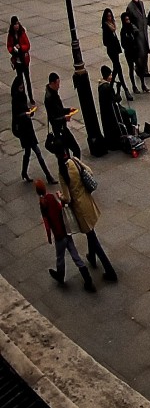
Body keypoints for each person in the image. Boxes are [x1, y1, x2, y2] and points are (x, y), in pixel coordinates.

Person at [57, 148, 115, 283]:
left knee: (92, 236)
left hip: (79, 208)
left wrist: (60, 196)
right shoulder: (75, 161)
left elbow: (67, 198)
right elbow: (89, 171)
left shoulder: (62, 172)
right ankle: (92, 257)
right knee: (91, 232)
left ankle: (110, 270)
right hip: (87, 200)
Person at [37, 178, 93, 292]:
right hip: (66, 231)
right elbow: (60, 209)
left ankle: (60, 276)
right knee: (75, 255)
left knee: (60, 257)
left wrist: (49, 237)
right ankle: (88, 280)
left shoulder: (43, 204)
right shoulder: (51, 198)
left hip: (58, 236)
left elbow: (47, 223)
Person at [11, 75, 51, 183]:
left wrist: (30, 112)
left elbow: (25, 110)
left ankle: (24, 172)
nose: (22, 89)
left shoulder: (22, 97)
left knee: (28, 153)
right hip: (24, 131)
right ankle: (48, 176)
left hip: (28, 128)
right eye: (20, 87)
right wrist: (25, 114)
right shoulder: (15, 100)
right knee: (37, 153)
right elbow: (16, 116)